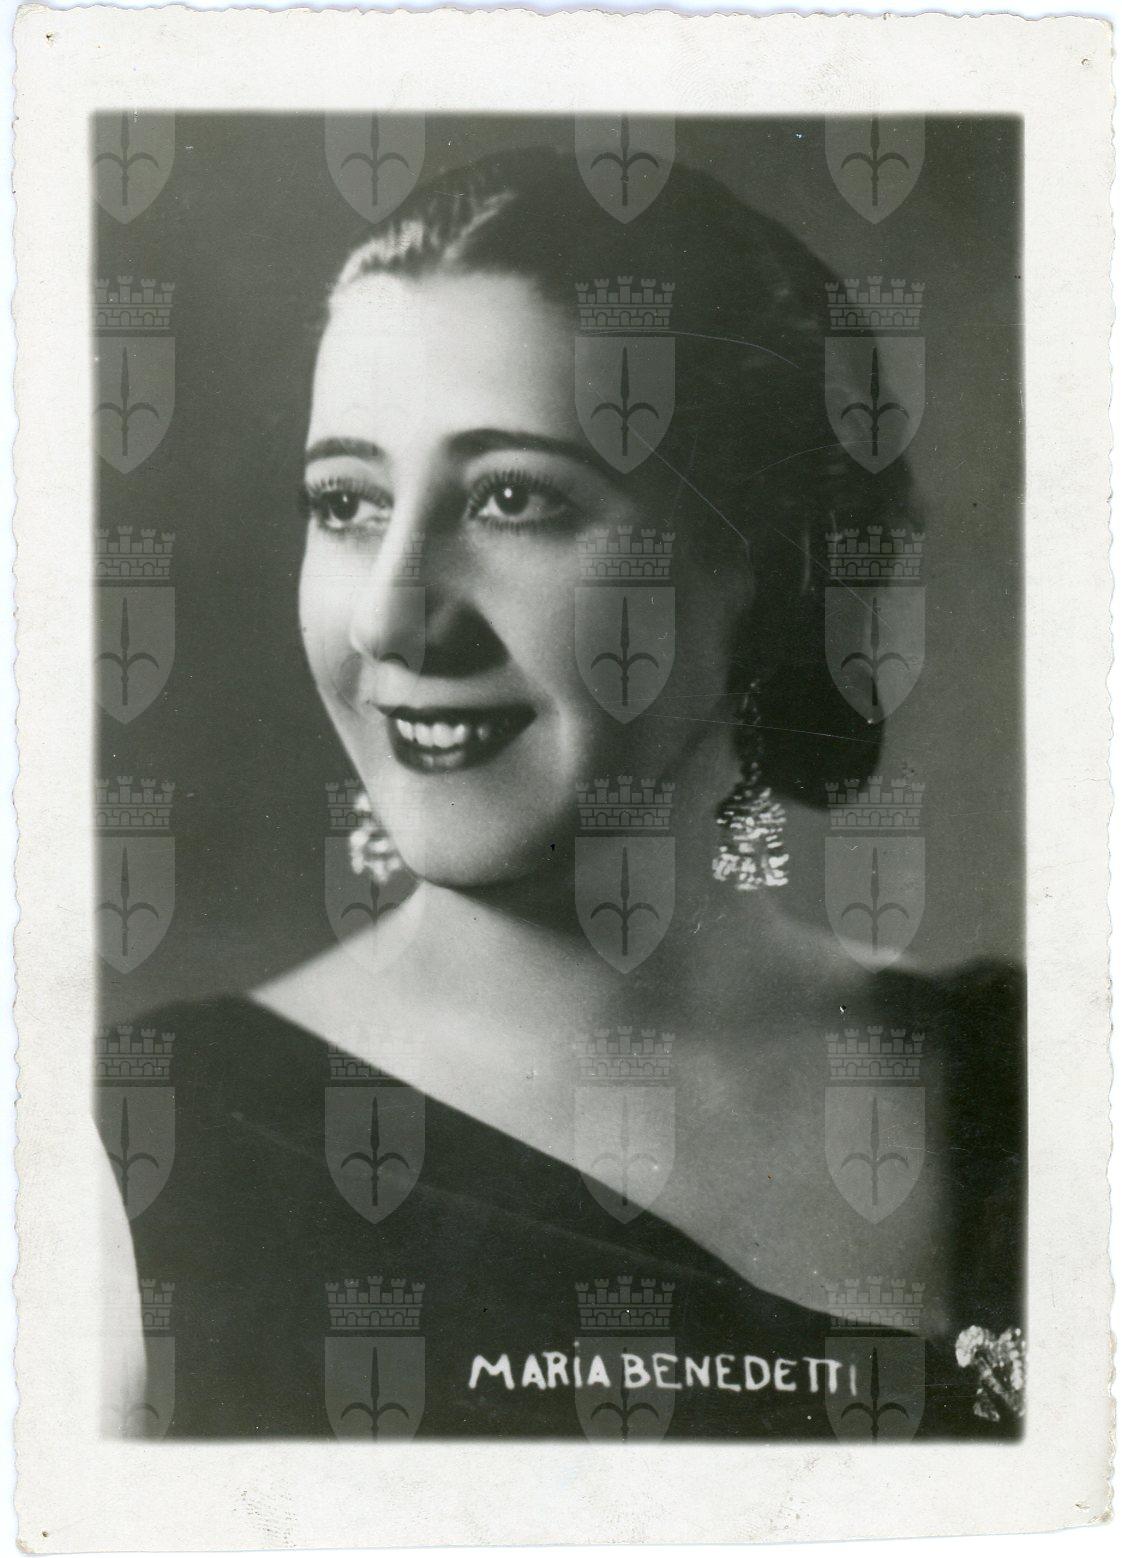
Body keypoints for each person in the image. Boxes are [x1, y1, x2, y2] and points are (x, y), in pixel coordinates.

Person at [101, 146, 1024, 1439]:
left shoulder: (1031, 1085)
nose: (391, 617)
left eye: (512, 497)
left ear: (764, 559)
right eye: (346, 502)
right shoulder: (142, 1156)